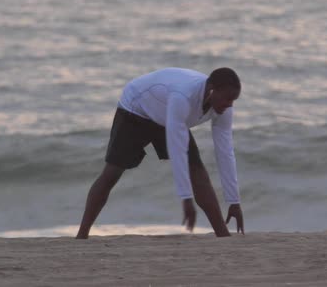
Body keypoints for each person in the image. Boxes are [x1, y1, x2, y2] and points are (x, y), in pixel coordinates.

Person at [76, 67, 244, 239]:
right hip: (136, 109)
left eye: (234, 100)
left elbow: (225, 152)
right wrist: (186, 198)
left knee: (196, 169)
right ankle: (82, 235)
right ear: (212, 91)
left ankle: (223, 236)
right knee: (112, 173)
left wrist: (234, 202)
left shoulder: (223, 107)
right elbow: (177, 149)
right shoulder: (183, 96)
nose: (230, 104)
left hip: (167, 112)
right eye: (227, 98)